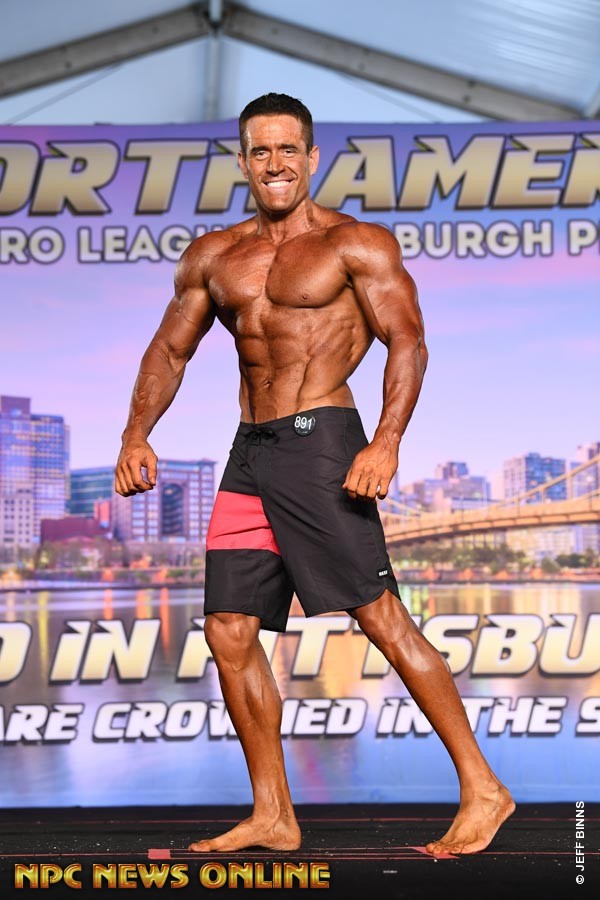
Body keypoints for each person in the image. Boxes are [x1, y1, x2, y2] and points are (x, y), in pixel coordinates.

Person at [114, 93, 515, 856]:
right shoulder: (214, 256)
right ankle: (273, 813)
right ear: (243, 161)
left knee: (381, 619)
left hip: (323, 442)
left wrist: (386, 442)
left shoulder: (355, 244)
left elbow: (408, 341)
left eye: (288, 149)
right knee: (229, 629)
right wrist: (136, 433)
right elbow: (170, 350)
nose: (276, 164)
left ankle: (484, 788)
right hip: (251, 452)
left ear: (311, 156)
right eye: (261, 151)